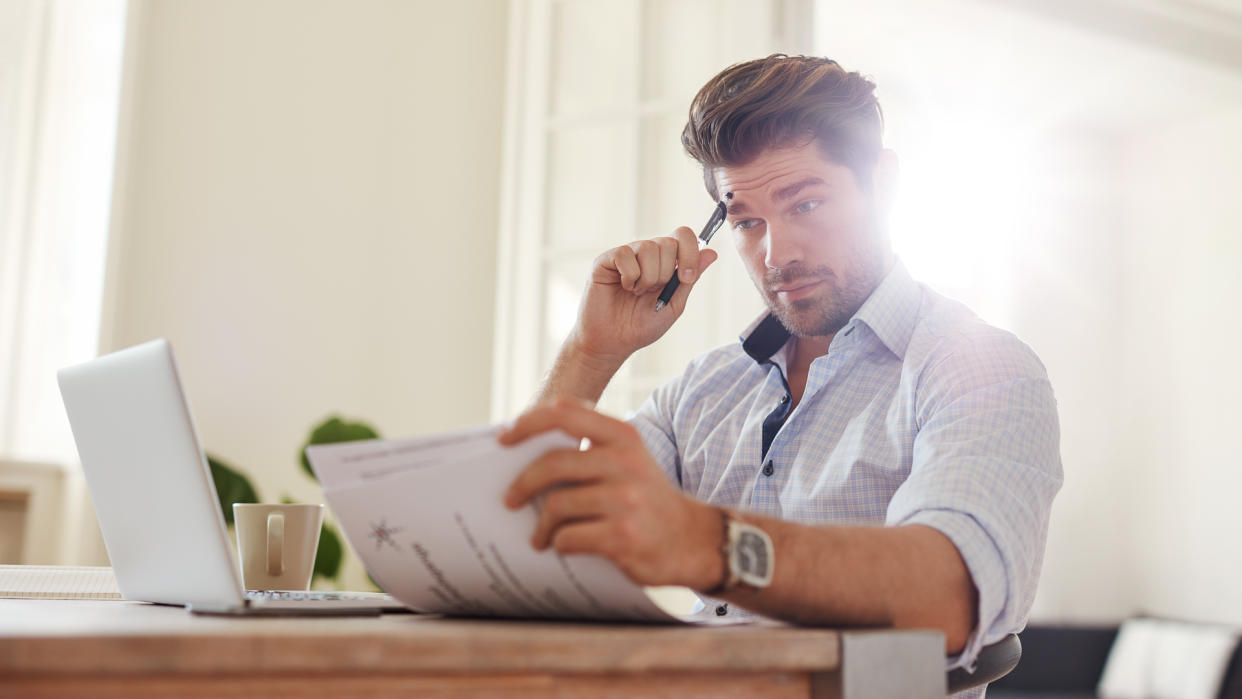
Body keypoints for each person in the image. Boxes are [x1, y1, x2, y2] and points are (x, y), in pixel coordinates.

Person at [497, 54, 1062, 687]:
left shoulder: (979, 368)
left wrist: (705, 543)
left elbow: (950, 593)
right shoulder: (704, 391)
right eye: (747, 221)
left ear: (884, 184)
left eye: (808, 204)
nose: (778, 254)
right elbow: (515, 536)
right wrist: (590, 353)